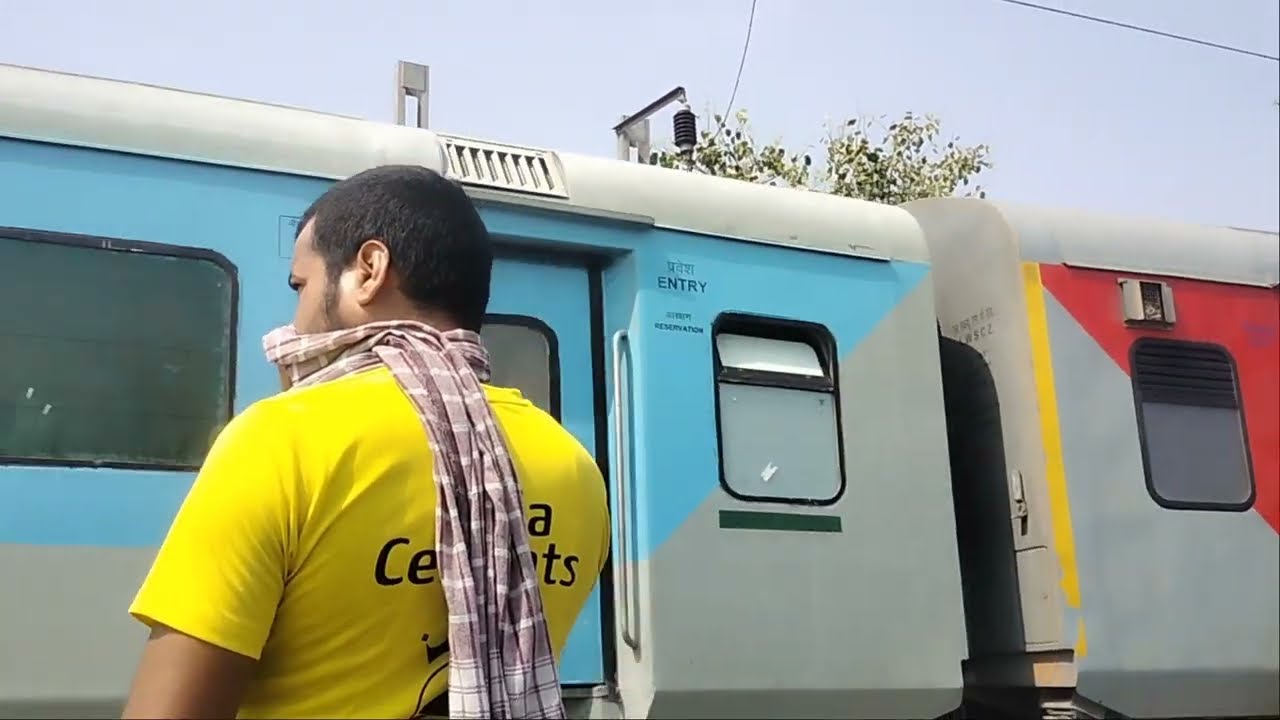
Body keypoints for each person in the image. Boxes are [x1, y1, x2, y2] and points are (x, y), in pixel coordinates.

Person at [122, 165, 610, 720]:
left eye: (300, 286)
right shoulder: (575, 470)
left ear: (369, 270)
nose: (296, 319)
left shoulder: (281, 441)